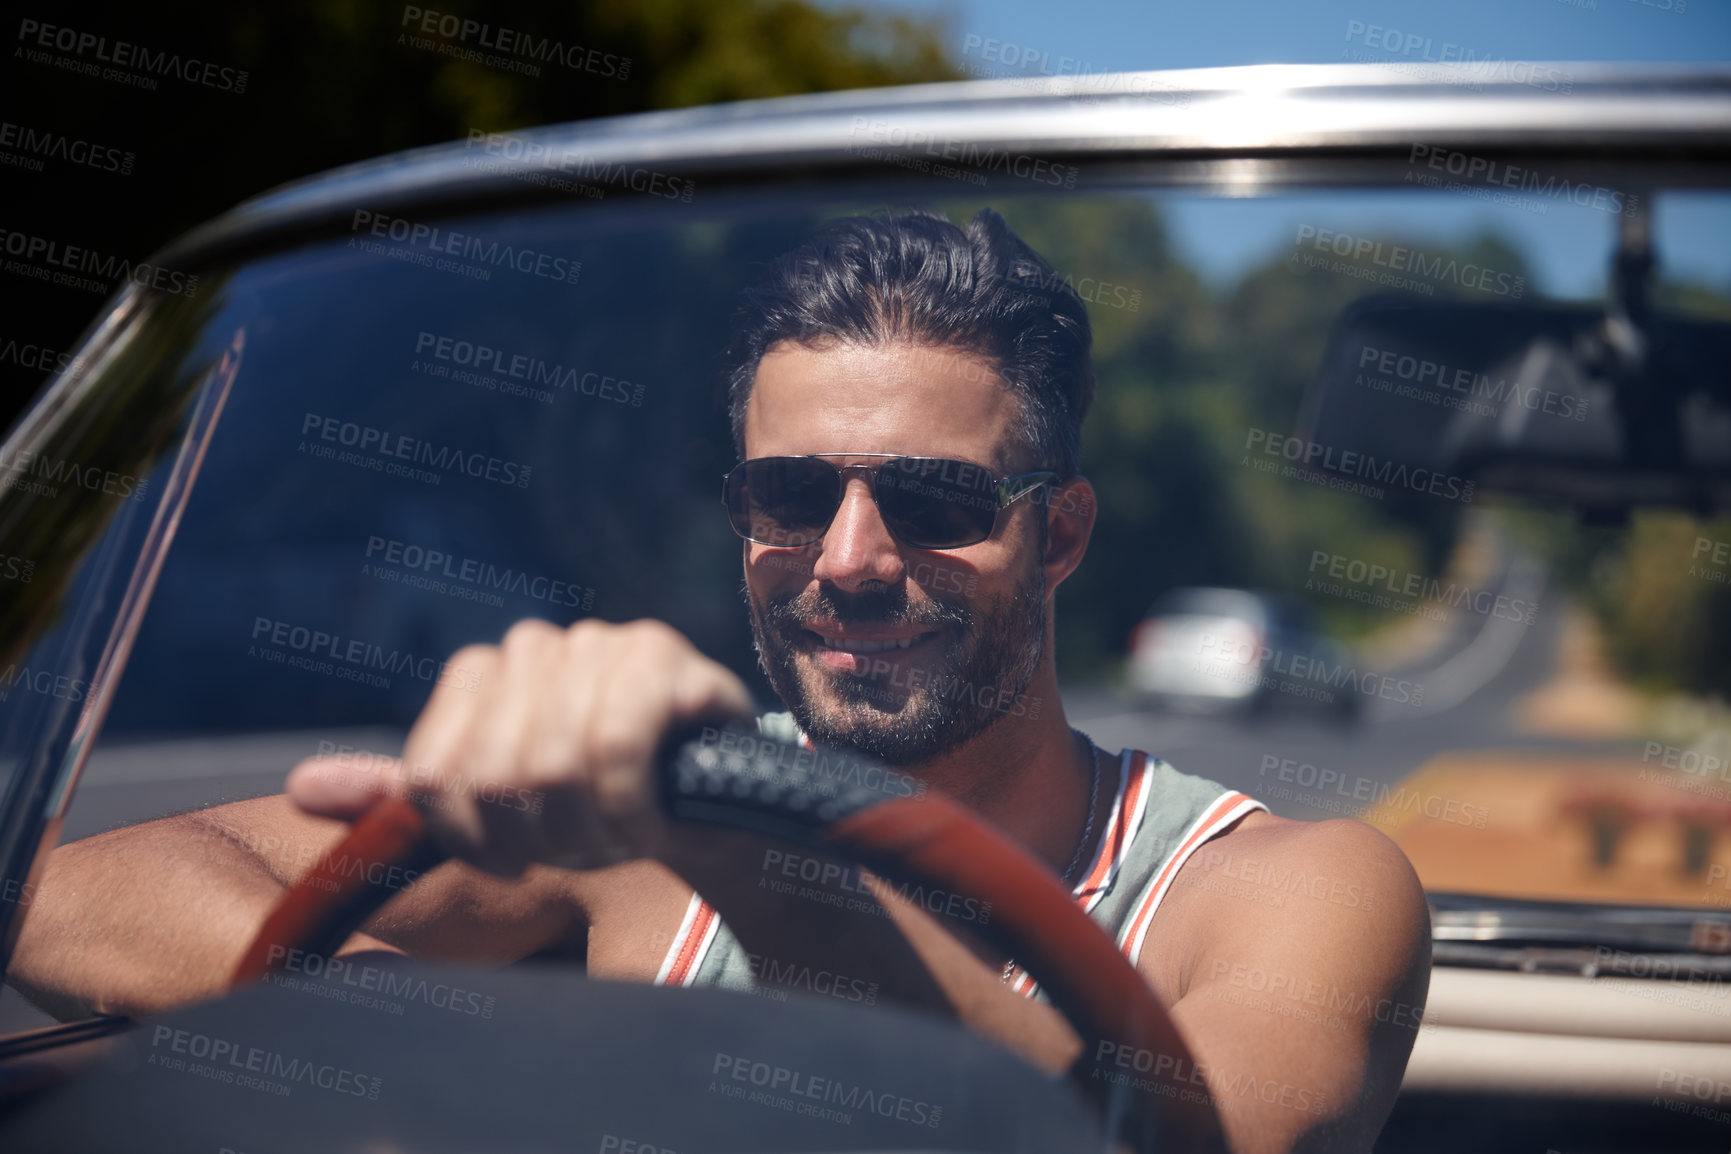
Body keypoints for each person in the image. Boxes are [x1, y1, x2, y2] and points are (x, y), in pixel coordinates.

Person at [7, 208, 1428, 1154]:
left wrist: (744, 841)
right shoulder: (644, 833)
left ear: (1055, 534)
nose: (852, 557)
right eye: (791, 491)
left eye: (935, 498)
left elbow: (1184, 1142)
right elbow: (59, 889)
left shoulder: (1282, 886)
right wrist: (456, 1039)